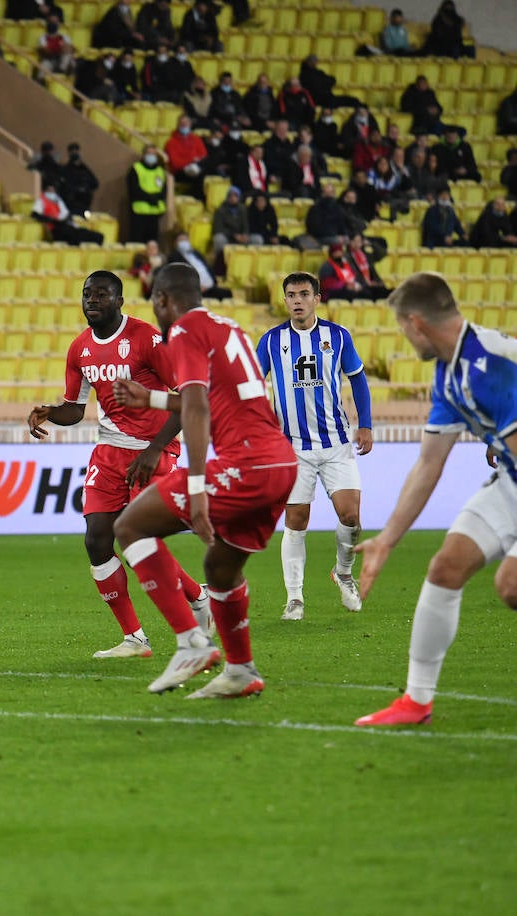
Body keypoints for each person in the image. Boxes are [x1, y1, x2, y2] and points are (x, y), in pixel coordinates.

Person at [110, 263, 297, 698]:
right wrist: (153, 397)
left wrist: (196, 489)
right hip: (280, 466)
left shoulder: (184, 331)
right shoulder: (226, 326)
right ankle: (241, 671)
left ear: (161, 300)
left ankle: (190, 640)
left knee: (130, 526)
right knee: (220, 567)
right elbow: (214, 397)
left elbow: (196, 408)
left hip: (246, 464)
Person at [354, 273, 517, 725]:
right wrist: (386, 540)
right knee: (445, 568)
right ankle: (416, 701)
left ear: (415, 322)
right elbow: (428, 464)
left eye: (402, 329)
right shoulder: (449, 373)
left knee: (511, 585)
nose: (404, 339)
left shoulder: (493, 367)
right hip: (512, 481)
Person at [28, 271, 210, 659]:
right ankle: (134, 638)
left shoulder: (147, 339)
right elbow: (75, 410)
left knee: (137, 538)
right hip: (109, 451)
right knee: (96, 540)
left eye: (101, 294)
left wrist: (155, 448)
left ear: (119, 300)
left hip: (154, 449)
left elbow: (187, 397)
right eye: (86, 294)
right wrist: (50, 413)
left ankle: (197, 598)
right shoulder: (80, 349)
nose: (92, 300)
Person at [254, 273, 373, 622]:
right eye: (291, 295)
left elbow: (358, 379)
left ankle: (344, 572)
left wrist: (364, 423)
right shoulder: (272, 341)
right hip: (291, 448)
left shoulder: (337, 337)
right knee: (296, 520)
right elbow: (250, 385)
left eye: (304, 294)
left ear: (317, 298)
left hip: (336, 442)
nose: (297, 301)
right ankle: (294, 598)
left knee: (351, 517)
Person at [126, 145, 166, 243]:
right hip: (139, 211)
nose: (151, 156)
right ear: (143, 155)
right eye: (149, 153)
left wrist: (156, 198)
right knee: (138, 241)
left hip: (155, 212)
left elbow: (163, 190)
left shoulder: (160, 171)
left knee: (152, 242)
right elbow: (134, 189)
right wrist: (150, 198)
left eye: (153, 154)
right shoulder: (136, 169)